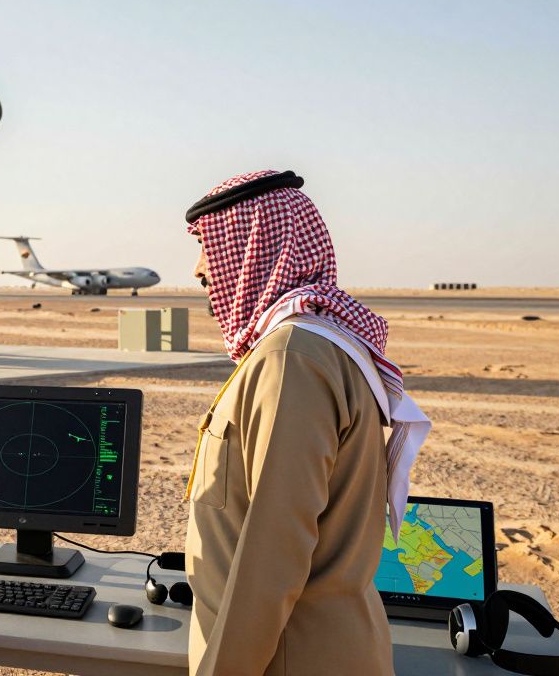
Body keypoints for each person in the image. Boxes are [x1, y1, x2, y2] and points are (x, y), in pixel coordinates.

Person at [182, 170, 431, 676]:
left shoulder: (293, 357)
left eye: (210, 245)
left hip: (290, 656)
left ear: (260, 246)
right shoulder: (313, 348)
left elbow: (273, 557)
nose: (200, 269)